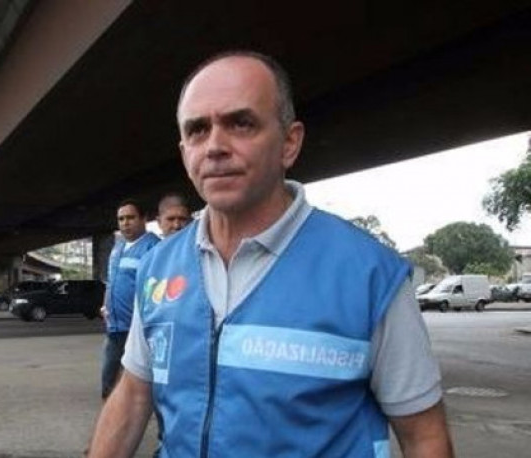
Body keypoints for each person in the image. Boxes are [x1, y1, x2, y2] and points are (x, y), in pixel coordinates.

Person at [88, 52, 454, 457]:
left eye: (240, 123)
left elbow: (423, 435)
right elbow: (133, 394)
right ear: (184, 151)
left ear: (289, 143)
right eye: (197, 130)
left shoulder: (371, 275)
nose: (214, 146)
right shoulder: (159, 265)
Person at [99, 199, 161, 400]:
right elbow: (110, 282)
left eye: (130, 218)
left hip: (138, 329)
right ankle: (111, 412)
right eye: (121, 219)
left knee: (141, 382)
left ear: (144, 219)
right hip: (115, 327)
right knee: (109, 378)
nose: (125, 223)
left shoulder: (154, 247)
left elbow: (157, 289)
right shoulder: (117, 247)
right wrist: (105, 305)